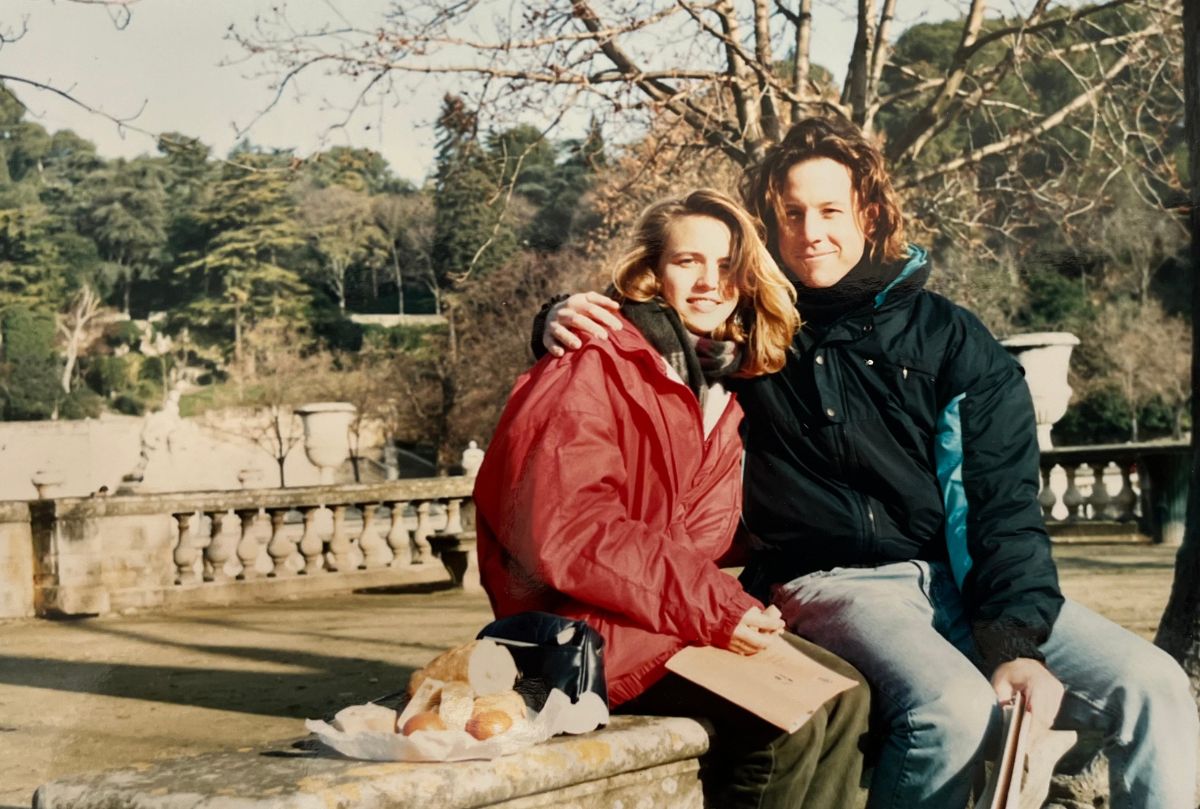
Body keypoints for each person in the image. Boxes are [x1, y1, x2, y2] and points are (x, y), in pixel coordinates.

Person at [536, 117, 1198, 809]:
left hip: (958, 579)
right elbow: (660, 316)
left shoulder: (951, 338)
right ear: (770, 220)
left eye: (830, 211)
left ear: (869, 213)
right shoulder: (749, 330)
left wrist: (1011, 638)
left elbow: (1001, 507)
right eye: (791, 214)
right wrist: (561, 316)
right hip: (831, 583)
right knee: (952, 707)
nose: (810, 231)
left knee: (1154, 685)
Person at [475, 188, 871, 809]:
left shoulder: (719, 385)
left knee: (848, 694)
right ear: (652, 272)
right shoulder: (594, 363)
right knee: (786, 720)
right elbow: (570, 529)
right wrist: (717, 608)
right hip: (581, 630)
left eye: (727, 267)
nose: (710, 282)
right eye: (689, 262)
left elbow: (695, 530)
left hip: (653, 614)